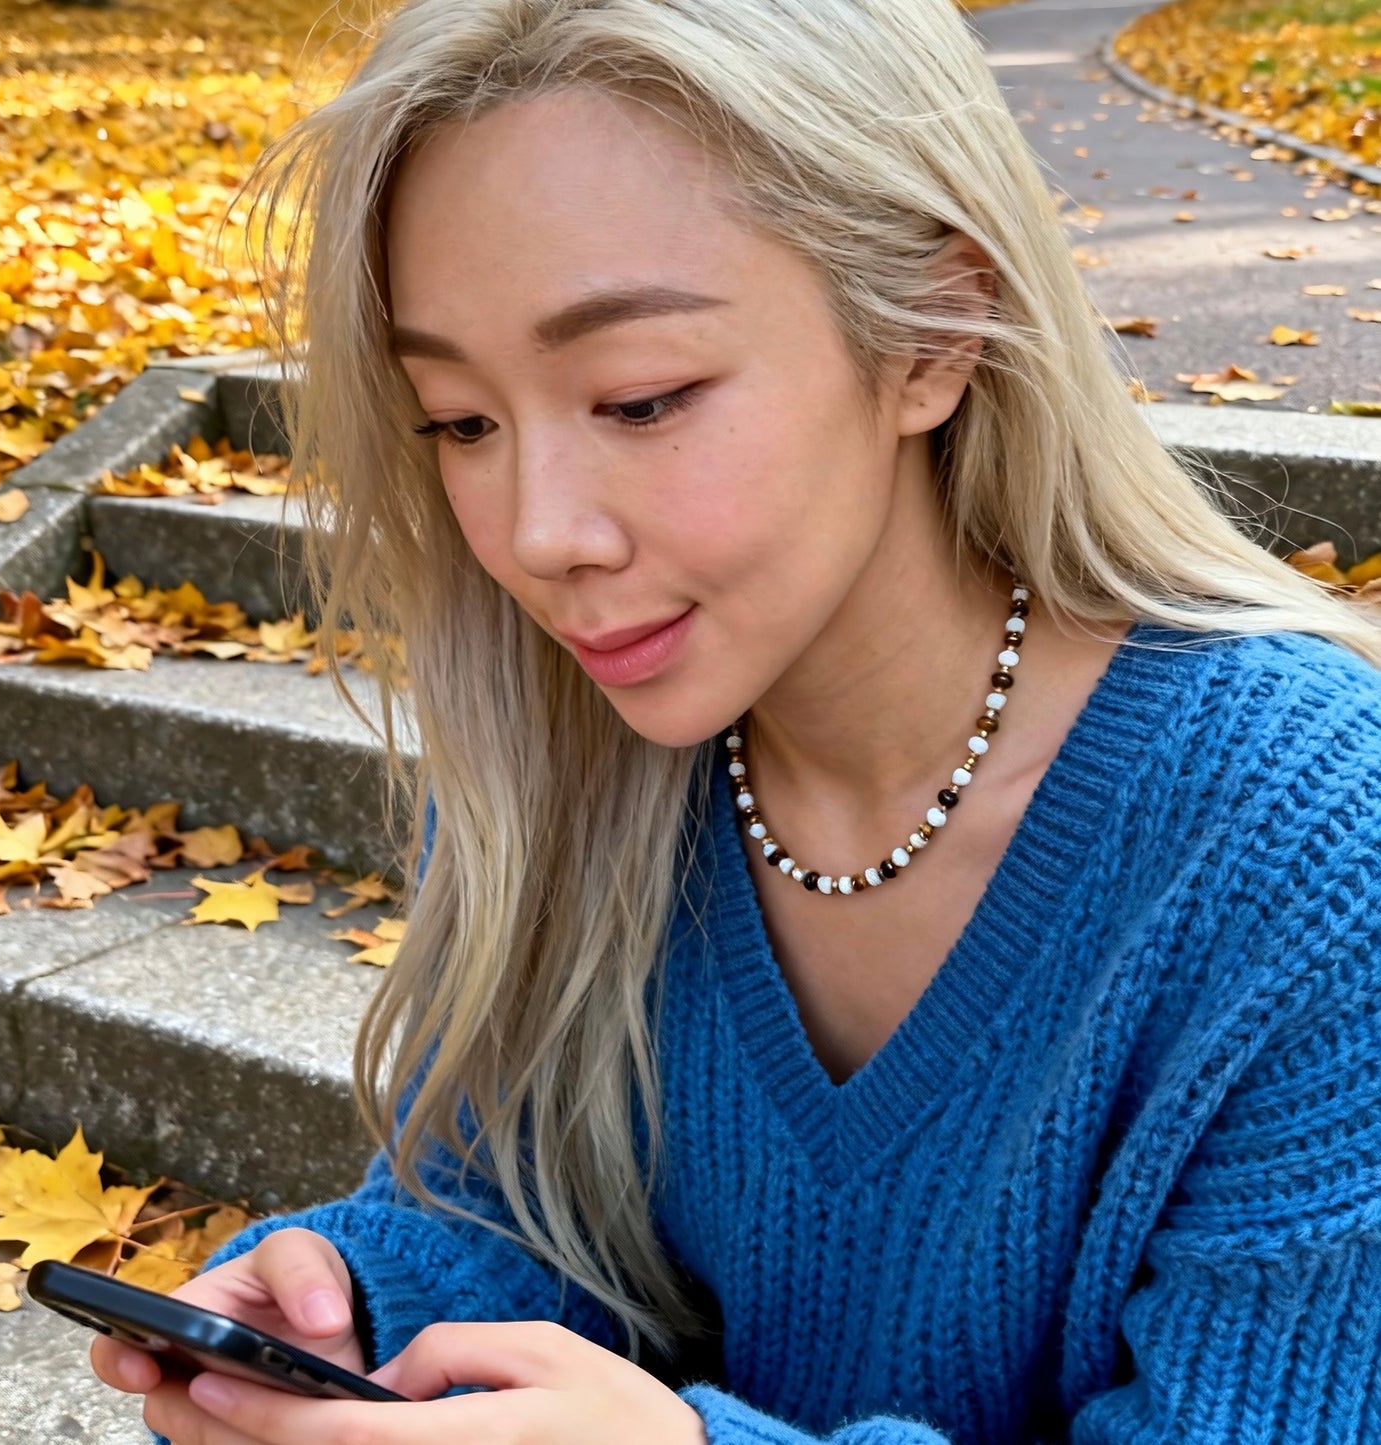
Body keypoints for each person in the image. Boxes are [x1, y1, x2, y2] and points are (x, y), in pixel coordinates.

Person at [90, 0, 1381, 1440]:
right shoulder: (561, 749)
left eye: (639, 399)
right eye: (457, 418)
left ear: (930, 336)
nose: (536, 534)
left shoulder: (1304, 838)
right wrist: (358, 1303)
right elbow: (519, 1211)